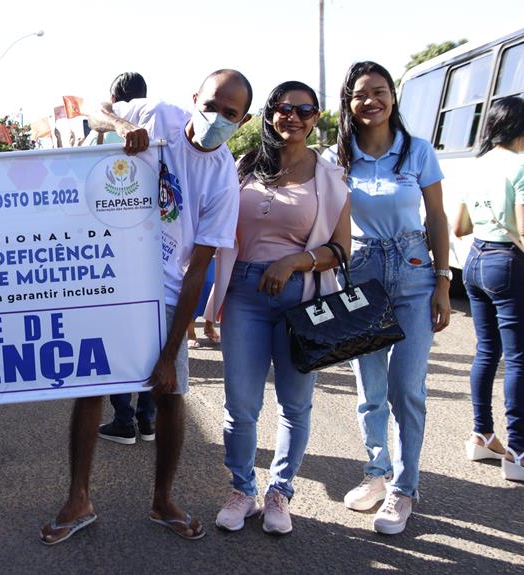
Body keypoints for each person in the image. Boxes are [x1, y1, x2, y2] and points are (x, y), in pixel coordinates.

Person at [39, 69, 253, 545]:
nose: (217, 118)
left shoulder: (223, 177)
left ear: (243, 120)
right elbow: (93, 111)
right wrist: (121, 126)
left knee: (170, 394)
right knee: (92, 388)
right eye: (212, 105)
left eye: (230, 114)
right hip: (112, 279)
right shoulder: (157, 115)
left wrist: (170, 351)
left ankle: (163, 500)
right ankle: (78, 500)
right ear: (195, 98)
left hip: (167, 296)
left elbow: (197, 269)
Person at [209, 81, 351, 535]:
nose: (293, 116)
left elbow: (341, 249)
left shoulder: (330, 177)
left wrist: (293, 262)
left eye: (304, 110)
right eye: (284, 108)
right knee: (240, 404)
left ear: (316, 118)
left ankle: (280, 491)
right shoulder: (244, 166)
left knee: (295, 403)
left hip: (301, 298)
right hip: (244, 294)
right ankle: (242, 489)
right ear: (271, 114)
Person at [324, 61, 452, 535]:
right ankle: (376, 473)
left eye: (379, 91)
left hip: (415, 271)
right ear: (348, 103)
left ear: (393, 97)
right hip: (361, 273)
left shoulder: (417, 151)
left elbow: (437, 217)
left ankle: (404, 487)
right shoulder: (337, 158)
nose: (370, 101)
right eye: (360, 94)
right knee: (370, 389)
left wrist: (443, 281)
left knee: (406, 388)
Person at [455, 96, 524, 485]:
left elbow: (460, 227)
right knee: (519, 360)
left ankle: (482, 435)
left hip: (475, 261)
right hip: (508, 265)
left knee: (487, 352)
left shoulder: (475, 166)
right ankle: (521, 452)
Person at [95, 71, 158, 445]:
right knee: (151, 339)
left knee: (117, 341)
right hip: (152, 251)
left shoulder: (112, 124)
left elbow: (96, 113)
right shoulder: (159, 128)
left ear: (116, 97)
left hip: (114, 252)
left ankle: (123, 420)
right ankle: (147, 419)